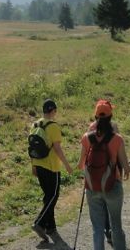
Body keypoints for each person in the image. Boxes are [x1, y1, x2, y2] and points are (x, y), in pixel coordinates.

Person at [78, 99, 130, 250]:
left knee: (97, 229)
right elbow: (127, 167)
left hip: (92, 188)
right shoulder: (117, 139)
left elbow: (80, 165)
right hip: (113, 186)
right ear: (111, 116)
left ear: (95, 117)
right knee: (116, 226)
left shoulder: (87, 138)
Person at [31, 98, 74, 242]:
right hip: (51, 167)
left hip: (38, 165)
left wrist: (33, 165)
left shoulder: (35, 124)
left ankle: (51, 227)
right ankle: (39, 223)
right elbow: (57, 148)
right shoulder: (53, 126)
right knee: (53, 196)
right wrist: (67, 164)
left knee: (48, 196)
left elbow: (31, 148)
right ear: (53, 111)